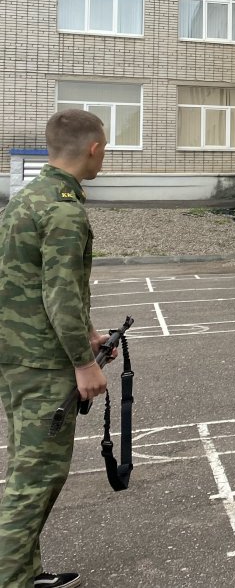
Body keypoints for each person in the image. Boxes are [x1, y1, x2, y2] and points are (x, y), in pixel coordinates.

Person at [0, 110, 111, 588]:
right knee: (35, 478)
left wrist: (85, 333)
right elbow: (59, 291)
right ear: (94, 149)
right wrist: (84, 363)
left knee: (30, 467)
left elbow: (27, 280)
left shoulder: (26, 199)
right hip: (42, 363)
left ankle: (24, 573)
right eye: (105, 148)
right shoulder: (63, 209)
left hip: (18, 354)